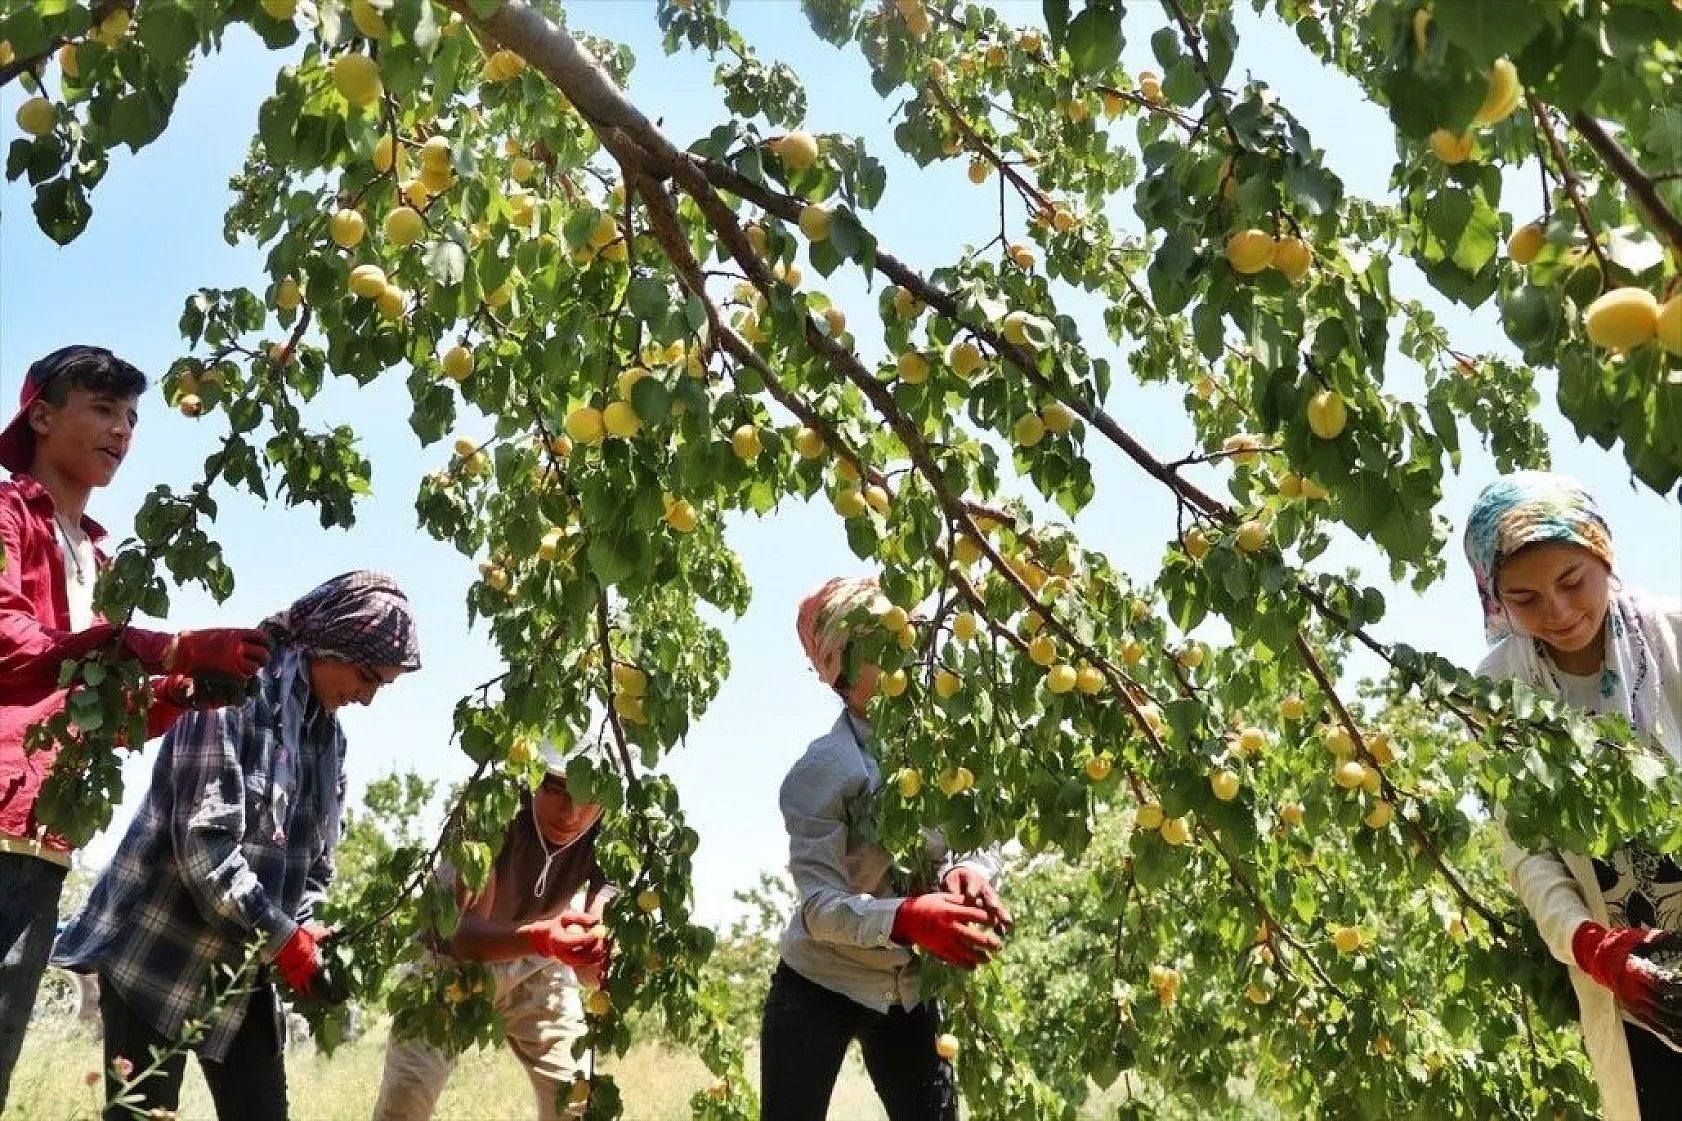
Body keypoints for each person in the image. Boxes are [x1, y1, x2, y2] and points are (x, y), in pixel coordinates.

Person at [0, 345, 271, 1108]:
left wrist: (183, 690)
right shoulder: (6, 516)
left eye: (131, 417)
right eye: (102, 408)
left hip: (43, 837)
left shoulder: (99, 557)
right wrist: (169, 644)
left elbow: (98, 718)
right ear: (42, 415)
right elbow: (11, 640)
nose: (121, 429)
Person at [51, 570, 421, 1121]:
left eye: (381, 687)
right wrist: (284, 939)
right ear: (331, 643)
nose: (367, 698)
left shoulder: (328, 737)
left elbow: (316, 862)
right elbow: (203, 848)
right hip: (156, 952)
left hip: (242, 965)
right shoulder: (233, 693)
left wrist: (307, 928)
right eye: (367, 676)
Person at [1465, 471, 1682, 1120]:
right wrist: (1587, 942)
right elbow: (1527, 849)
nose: (1557, 613)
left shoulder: (1672, 635)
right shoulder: (1497, 692)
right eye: (1525, 598)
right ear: (1495, 599)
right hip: (1638, 989)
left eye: (1571, 581)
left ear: (1603, 556)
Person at [762, 576, 1011, 1121]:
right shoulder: (824, 770)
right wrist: (907, 918)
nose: (903, 651)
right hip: (819, 983)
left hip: (906, 988)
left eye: (903, 634)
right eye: (877, 643)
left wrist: (967, 870)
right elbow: (820, 908)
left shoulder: (943, 747)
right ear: (842, 675)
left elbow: (982, 832)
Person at [372, 743, 616, 1121]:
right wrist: (544, 938)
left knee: (576, 1098)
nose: (572, 814)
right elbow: (461, 936)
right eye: (556, 790)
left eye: (589, 799)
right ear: (533, 777)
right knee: (407, 1098)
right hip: (446, 966)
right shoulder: (490, 809)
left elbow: (606, 906)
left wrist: (599, 942)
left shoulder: (612, 829)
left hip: (540, 964)